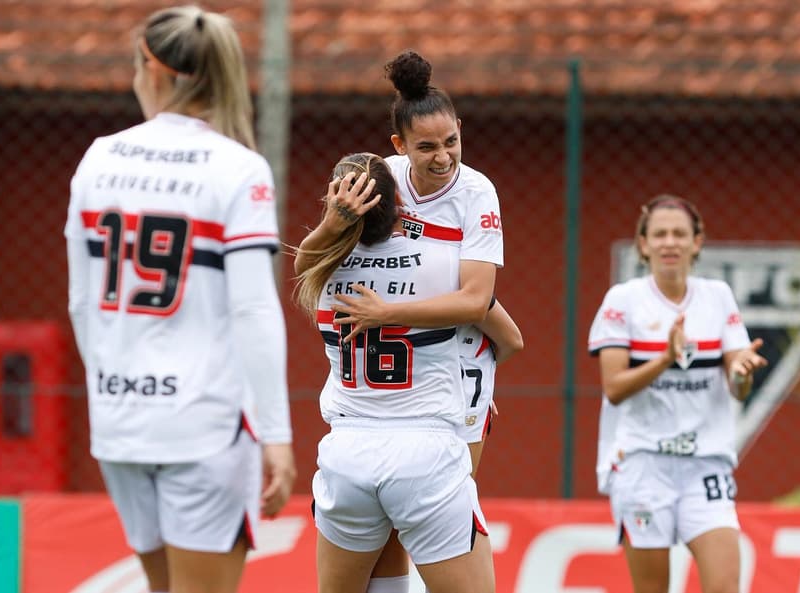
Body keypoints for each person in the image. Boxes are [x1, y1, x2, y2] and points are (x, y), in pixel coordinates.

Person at [65, 6, 295, 593]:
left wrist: (113, 380)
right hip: (204, 423)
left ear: (153, 68)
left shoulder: (98, 157)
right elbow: (253, 310)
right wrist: (277, 434)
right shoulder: (239, 169)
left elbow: (81, 303)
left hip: (120, 418)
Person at [295, 51, 522, 593]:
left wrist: (333, 226)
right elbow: (480, 305)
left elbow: (305, 262)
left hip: (349, 443)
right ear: (397, 149)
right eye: (426, 147)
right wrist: (394, 308)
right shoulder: (428, 248)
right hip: (426, 430)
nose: (443, 157)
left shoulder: (325, 276)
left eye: (451, 142)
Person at [587, 195, 767, 593]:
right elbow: (614, 389)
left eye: (680, 234)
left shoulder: (717, 295)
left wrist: (741, 373)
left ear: (697, 242)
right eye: (660, 234)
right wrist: (665, 358)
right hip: (642, 465)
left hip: (706, 465)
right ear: (644, 244)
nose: (670, 242)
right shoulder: (623, 300)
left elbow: (739, 385)